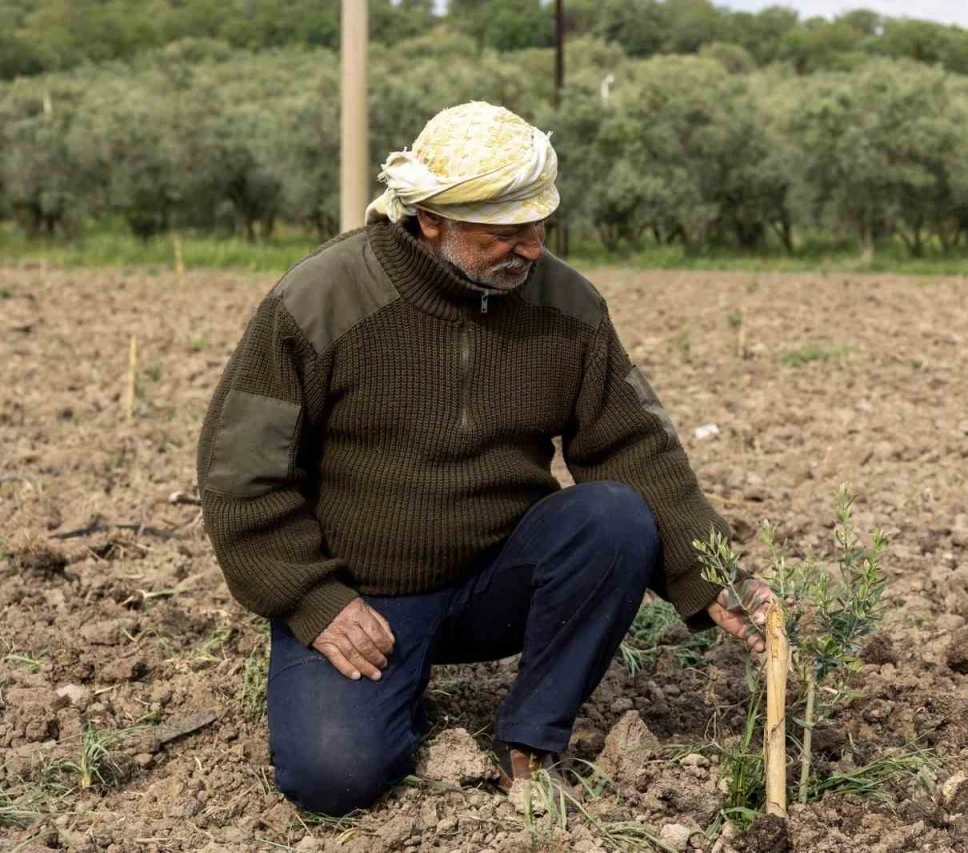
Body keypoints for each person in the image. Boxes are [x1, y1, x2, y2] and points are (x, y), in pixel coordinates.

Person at [196, 101, 774, 816]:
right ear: (431, 218)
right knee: (333, 777)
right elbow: (241, 472)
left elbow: (633, 445)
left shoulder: (567, 306)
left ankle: (531, 740)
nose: (531, 248)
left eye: (539, 225)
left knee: (615, 517)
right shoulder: (320, 298)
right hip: (363, 597)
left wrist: (712, 573)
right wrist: (313, 600)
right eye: (505, 232)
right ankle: (391, 697)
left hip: (498, 582)